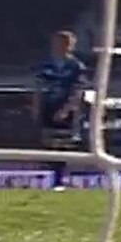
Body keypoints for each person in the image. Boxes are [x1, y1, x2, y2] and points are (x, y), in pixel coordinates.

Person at [32, 30, 88, 191]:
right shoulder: (45, 65)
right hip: (48, 107)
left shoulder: (76, 66)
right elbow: (38, 87)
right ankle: (51, 176)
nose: (59, 46)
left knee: (64, 144)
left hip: (65, 110)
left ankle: (60, 179)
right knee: (49, 143)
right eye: (57, 42)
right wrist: (36, 106)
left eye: (64, 43)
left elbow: (79, 91)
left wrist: (67, 109)